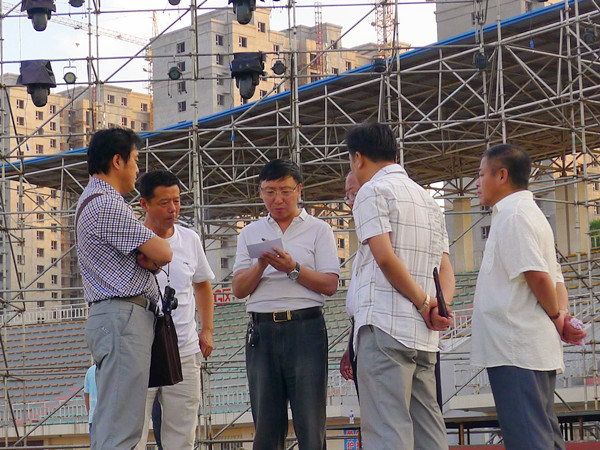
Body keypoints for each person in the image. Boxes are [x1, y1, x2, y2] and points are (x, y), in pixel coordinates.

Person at [470, 143, 586, 450]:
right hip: (527, 346)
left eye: (481, 175)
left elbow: (538, 275)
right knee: (542, 433)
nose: (477, 183)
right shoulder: (529, 214)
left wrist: (557, 316)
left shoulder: (513, 215)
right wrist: (561, 316)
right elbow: (555, 278)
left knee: (528, 438)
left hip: (516, 346)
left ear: (502, 176)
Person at [347, 122, 454, 449]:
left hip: (386, 325)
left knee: (387, 430)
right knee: (428, 429)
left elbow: (385, 257)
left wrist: (424, 303)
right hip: (423, 335)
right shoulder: (427, 199)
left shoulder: (371, 191)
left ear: (358, 158)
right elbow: (445, 268)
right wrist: (437, 307)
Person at [232, 159, 340, 450]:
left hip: (305, 327)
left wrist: (293, 268)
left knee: (310, 421)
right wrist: (261, 265)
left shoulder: (319, 229)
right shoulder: (250, 232)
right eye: (270, 192)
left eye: (285, 191)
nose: (277, 199)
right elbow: (239, 288)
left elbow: (330, 284)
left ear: (299, 190)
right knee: (266, 425)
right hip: (262, 330)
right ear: (260, 192)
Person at [76, 128, 173, 449]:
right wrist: (153, 255)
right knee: (121, 427)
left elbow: (150, 257)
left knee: (117, 422)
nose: (137, 168)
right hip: (123, 316)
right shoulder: (107, 204)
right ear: (117, 161)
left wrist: (150, 257)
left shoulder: (95, 199)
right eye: (135, 160)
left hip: (118, 316)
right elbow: (164, 252)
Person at [136, 170, 215, 450]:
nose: (173, 209)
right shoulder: (131, 239)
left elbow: (202, 285)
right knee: (131, 433)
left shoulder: (190, 239)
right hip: (139, 351)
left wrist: (207, 329)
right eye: (164, 203)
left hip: (183, 350)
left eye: (177, 201)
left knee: (182, 437)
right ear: (145, 204)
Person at [339, 172, 360, 394]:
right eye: (348, 196)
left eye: (354, 194)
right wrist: (350, 346)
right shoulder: (363, 244)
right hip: (359, 335)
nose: (351, 202)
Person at [83, 364, 97, 437]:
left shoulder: (90, 371)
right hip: (108, 416)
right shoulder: (110, 370)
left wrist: (89, 413)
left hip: (93, 417)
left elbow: (86, 394)